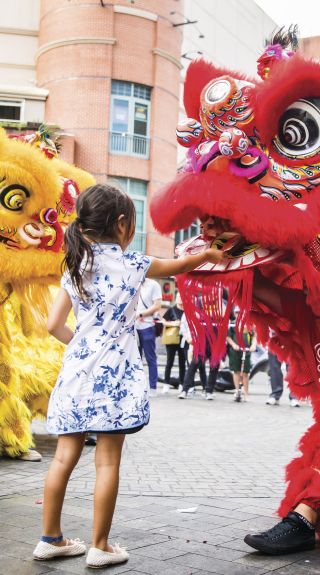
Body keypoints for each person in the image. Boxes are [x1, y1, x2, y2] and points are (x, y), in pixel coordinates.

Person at [32, 183, 228, 568]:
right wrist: (209, 253)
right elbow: (179, 266)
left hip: (75, 374)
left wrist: (83, 346)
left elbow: (54, 325)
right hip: (115, 378)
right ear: (122, 224)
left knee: (63, 459)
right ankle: (99, 545)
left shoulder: (75, 265)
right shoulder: (133, 264)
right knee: (107, 462)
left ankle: (50, 539)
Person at [136, 278, 162, 396]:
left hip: (147, 325)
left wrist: (141, 314)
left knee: (150, 358)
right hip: (133, 327)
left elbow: (157, 305)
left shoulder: (153, 284)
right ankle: (136, 387)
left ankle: (153, 387)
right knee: (135, 359)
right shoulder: (133, 281)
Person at [227, 310, 256, 402]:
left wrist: (253, 345)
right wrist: (233, 345)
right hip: (235, 351)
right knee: (236, 371)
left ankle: (246, 393)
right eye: (237, 313)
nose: (239, 315)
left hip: (246, 351)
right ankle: (237, 390)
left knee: (245, 373)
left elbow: (254, 336)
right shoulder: (232, 324)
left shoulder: (249, 324)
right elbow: (228, 337)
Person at [162, 293, 186, 394]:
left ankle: (181, 384)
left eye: (182, 297)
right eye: (178, 297)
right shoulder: (171, 309)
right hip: (172, 338)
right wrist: (173, 323)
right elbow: (163, 320)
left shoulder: (187, 311)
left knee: (182, 363)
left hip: (183, 338)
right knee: (169, 362)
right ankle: (166, 384)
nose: (180, 299)